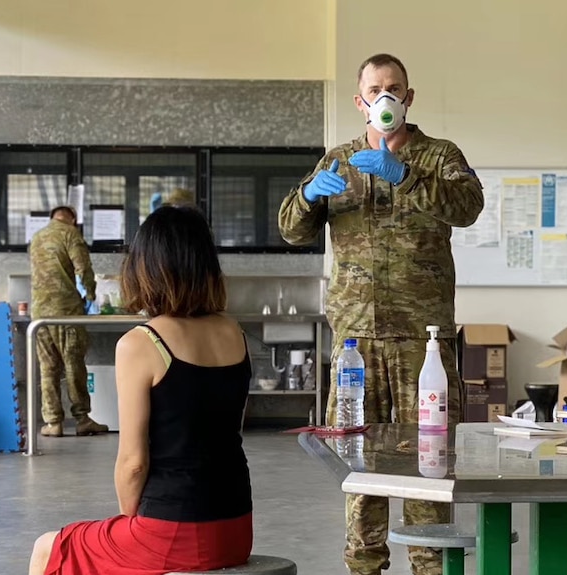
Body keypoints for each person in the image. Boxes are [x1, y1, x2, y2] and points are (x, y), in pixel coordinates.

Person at [279, 53, 484, 575]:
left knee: (427, 461)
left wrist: (406, 176)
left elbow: (468, 207)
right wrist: (307, 197)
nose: (384, 97)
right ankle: (364, 564)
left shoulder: (439, 155)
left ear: (408, 97)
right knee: (359, 462)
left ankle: (430, 562)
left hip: (424, 342)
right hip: (356, 342)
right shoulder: (338, 160)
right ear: (360, 100)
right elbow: (292, 230)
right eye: (374, 89)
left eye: (394, 87)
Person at [28, 205, 253, 575]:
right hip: (236, 527)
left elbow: (133, 464)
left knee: (46, 549)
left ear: (144, 267)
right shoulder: (234, 332)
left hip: (172, 532)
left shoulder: (141, 343)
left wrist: (131, 524)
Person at [29, 206, 108, 437]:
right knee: (73, 365)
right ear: (73, 219)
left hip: (40, 312)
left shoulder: (36, 237)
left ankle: (53, 423)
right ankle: (83, 419)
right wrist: (91, 295)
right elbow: (83, 269)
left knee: (48, 367)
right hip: (66, 310)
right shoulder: (71, 234)